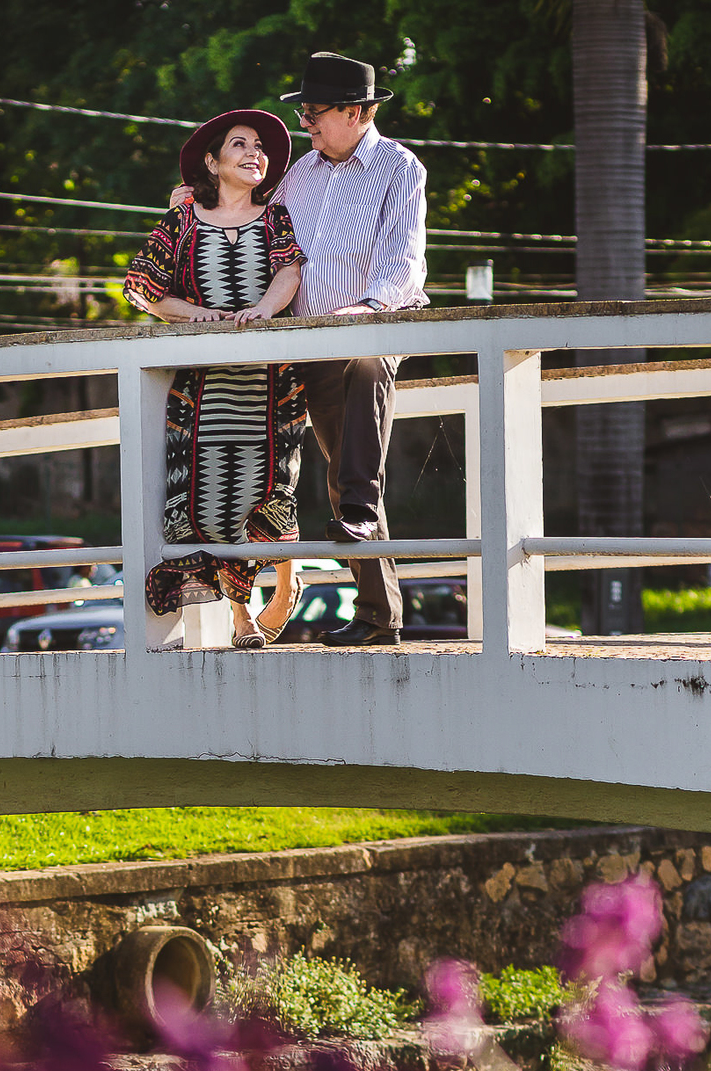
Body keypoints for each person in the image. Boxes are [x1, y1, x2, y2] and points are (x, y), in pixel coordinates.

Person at [172, 53, 428, 648]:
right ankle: (375, 613)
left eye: (315, 113)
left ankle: (360, 528)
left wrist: (358, 314)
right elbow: (252, 221)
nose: (306, 123)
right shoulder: (300, 174)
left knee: (359, 435)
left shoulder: (399, 169)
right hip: (303, 339)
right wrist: (194, 201)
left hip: (373, 327)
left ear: (357, 111)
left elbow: (402, 266)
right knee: (339, 473)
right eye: (306, 112)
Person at [123, 111, 307, 648]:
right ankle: (241, 618)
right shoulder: (180, 222)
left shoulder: (275, 216)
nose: (255, 154)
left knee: (271, 490)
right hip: (203, 391)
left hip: (268, 386)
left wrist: (263, 311)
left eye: (261, 148)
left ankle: (284, 586)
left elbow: (289, 270)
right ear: (212, 160)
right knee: (210, 500)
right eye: (240, 144)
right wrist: (191, 314)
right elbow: (142, 286)